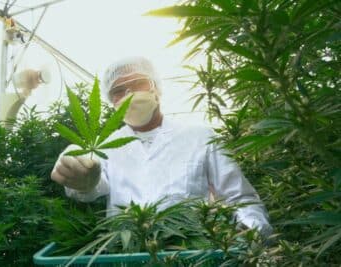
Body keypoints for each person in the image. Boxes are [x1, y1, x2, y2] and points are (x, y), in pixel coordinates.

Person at [50, 56, 272, 237]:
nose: (128, 94)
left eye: (137, 83)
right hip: (127, 253)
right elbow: (91, 188)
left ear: (156, 87)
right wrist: (82, 181)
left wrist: (250, 230)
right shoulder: (107, 146)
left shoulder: (200, 136)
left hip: (192, 251)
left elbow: (240, 198)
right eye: (118, 90)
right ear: (111, 100)